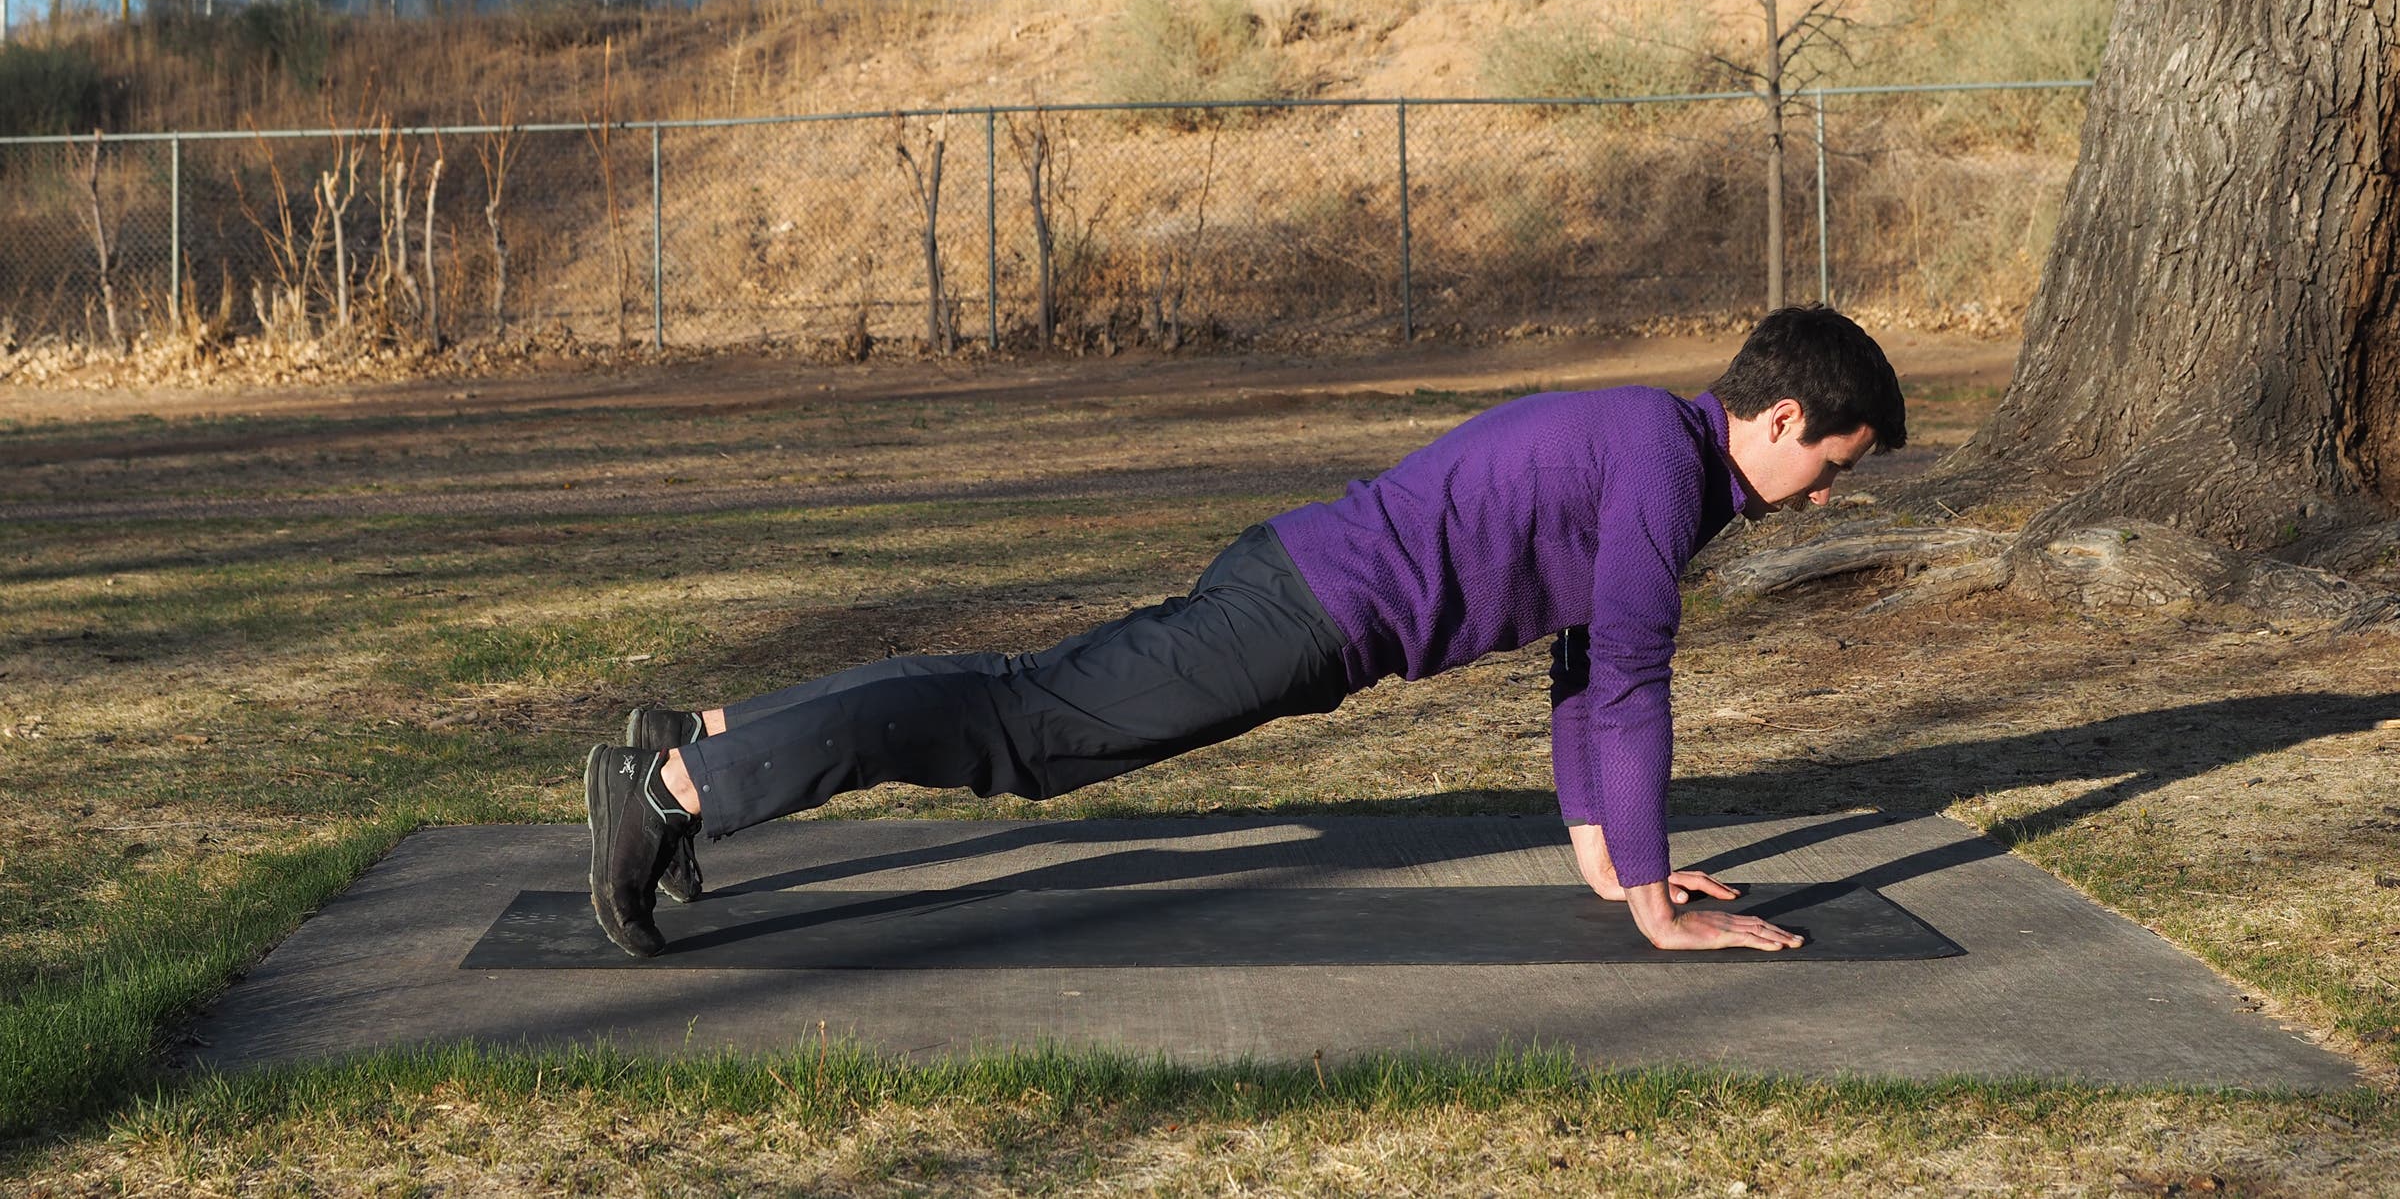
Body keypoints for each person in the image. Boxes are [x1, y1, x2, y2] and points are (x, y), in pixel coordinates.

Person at [585, 305, 1906, 959]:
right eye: (1838, 462)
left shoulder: (1662, 453)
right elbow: (1624, 682)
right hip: (1305, 612)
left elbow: (1579, 659)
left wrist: (1618, 871)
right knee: (1022, 727)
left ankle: (690, 742)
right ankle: (674, 786)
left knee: (1020, 700)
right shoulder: (1666, 468)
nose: (1831, 492)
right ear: (1782, 419)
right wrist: (1658, 904)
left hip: (1304, 591)